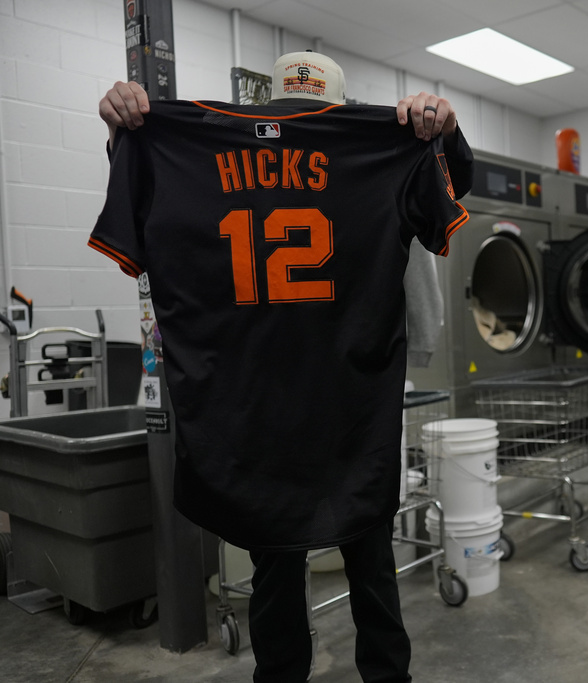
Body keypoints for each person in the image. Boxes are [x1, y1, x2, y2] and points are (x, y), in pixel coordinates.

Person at [94, 52, 473, 683]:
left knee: (285, 573)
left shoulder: (188, 147)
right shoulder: (372, 148)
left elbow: (454, 175)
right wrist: (125, 134)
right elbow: (454, 189)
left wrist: (443, 131)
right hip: (352, 406)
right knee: (368, 568)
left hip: (253, 413)